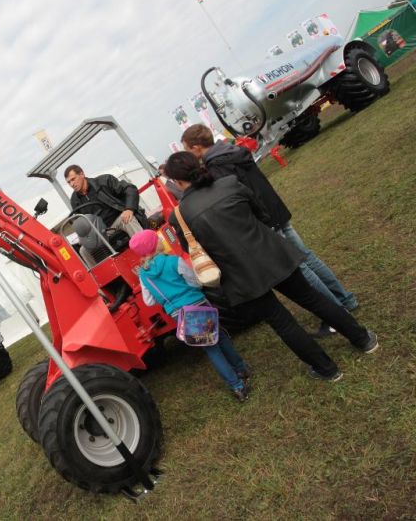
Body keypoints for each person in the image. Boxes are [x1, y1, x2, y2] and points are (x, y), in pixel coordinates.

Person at [163, 151, 378, 382]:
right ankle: (362, 339)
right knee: (312, 299)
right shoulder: (229, 185)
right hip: (271, 253)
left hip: (240, 274)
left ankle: (327, 369)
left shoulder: (180, 215)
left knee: (282, 321)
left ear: (177, 181)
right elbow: (262, 214)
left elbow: (192, 250)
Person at [181, 124, 358, 337]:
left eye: (188, 150)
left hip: (266, 219)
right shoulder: (233, 151)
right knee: (308, 258)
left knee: (301, 268)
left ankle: (337, 313)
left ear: (197, 147)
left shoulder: (217, 167)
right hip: (276, 209)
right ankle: (344, 299)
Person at [130, 229, 251, 402]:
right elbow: (194, 282)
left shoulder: (143, 275)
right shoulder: (174, 261)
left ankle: (238, 386)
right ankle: (241, 369)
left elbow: (148, 301)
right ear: (154, 245)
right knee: (221, 336)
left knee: (210, 347)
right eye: (156, 239)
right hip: (197, 303)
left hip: (179, 313)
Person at [64, 165, 147, 237]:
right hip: (102, 231)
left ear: (82, 174)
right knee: (83, 250)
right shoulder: (74, 201)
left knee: (128, 220)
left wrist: (129, 209)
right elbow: (81, 221)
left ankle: (148, 250)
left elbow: (129, 189)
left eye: (73, 179)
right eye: (69, 182)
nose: (72, 184)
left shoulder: (105, 181)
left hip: (119, 218)